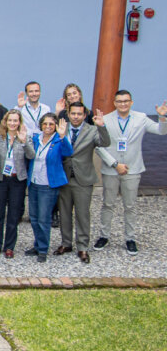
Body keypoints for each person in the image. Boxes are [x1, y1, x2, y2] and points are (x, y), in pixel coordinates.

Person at [95, 92, 167, 255]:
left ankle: (130, 238)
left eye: (126, 101)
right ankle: (104, 236)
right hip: (111, 169)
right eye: (119, 101)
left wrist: (162, 117)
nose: (123, 104)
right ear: (114, 103)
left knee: (130, 205)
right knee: (108, 204)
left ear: (131, 102)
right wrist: (115, 164)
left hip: (133, 168)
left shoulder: (141, 118)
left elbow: (161, 131)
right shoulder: (105, 119)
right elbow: (99, 146)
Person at [56, 102, 110, 263]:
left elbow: (105, 143)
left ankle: (82, 247)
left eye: (79, 114)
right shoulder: (62, 128)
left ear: (84, 115)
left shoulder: (91, 130)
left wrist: (102, 126)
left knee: (82, 214)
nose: (76, 117)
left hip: (83, 179)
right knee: (64, 213)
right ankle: (66, 243)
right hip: (64, 177)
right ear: (69, 114)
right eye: (73, 113)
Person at [26, 112, 72, 262]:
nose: (47, 127)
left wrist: (63, 136)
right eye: (45, 124)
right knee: (33, 217)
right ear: (41, 125)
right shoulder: (36, 139)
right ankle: (37, 245)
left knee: (43, 219)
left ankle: (43, 250)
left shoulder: (59, 140)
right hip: (33, 183)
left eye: (51, 124)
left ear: (56, 126)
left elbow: (68, 152)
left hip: (48, 185)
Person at [0, 108, 34, 259]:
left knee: (13, 215)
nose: (13, 123)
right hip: (0, 179)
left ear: (19, 122)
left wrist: (23, 142)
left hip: (17, 180)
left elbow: (31, 155)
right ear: (5, 122)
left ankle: (9, 246)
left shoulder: (25, 138)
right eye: (10, 120)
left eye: (16, 120)